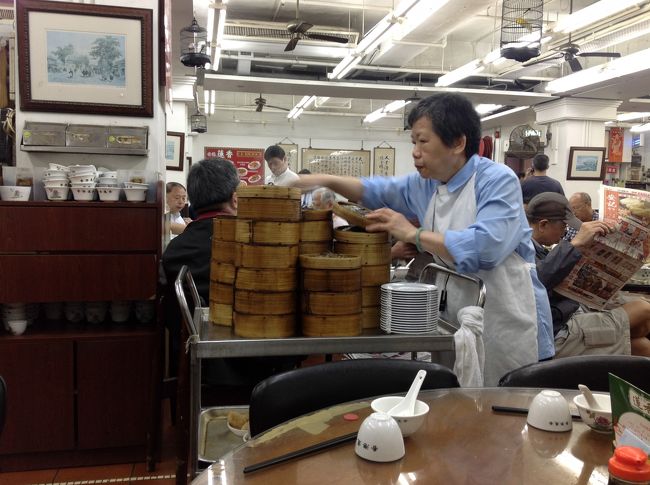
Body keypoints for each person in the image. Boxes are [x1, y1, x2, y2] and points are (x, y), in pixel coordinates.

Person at [291, 93, 554, 385]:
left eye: (423, 141)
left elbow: (486, 247)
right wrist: (327, 180)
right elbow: (377, 189)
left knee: (500, 402)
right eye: (413, 142)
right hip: (455, 314)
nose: (415, 152)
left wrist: (412, 234)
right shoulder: (426, 184)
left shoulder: (496, 180)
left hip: (501, 314)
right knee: (456, 399)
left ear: (457, 142)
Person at [162, 158, 300, 395]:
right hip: (264, 368)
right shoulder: (262, 247)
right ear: (236, 198)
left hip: (199, 368)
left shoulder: (174, 252)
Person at [527, 192, 650, 357]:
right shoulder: (522, 251)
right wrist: (574, 246)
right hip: (558, 329)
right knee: (643, 310)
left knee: (642, 335)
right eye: (563, 225)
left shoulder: (537, 248)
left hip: (570, 312)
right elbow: (536, 282)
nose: (565, 231)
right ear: (543, 225)